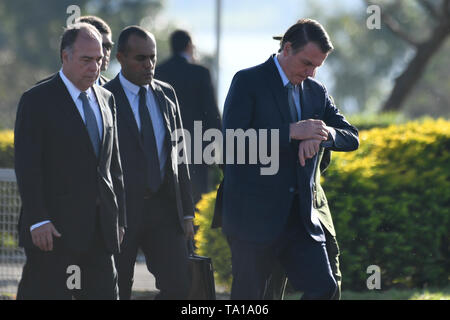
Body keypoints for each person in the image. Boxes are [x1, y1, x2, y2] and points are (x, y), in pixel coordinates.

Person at [220, 18, 359, 299]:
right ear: (287, 49)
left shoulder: (316, 92)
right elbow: (231, 144)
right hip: (252, 220)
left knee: (325, 289)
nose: (311, 73)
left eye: (317, 66)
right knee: (252, 299)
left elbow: (351, 136)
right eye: (307, 63)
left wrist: (320, 133)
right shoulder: (248, 81)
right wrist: (292, 132)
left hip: (300, 220)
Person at [14, 23, 126, 300]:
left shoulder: (107, 99)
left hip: (100, 232)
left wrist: (119, 220)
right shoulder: (36, 100)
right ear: (65, 57)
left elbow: (114, 167)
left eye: (99, 59)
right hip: (54, 233)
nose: (95, 67)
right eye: (86, 60)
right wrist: (38, 219)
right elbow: (28, 166)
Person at [104, 26, 195, 300]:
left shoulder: (167, 95)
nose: (149, 65)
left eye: (152, 57)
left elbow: (180, 155)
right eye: (141, 58)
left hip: (164, 209)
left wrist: (187, 212)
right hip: (122, 213)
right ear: (120, 57)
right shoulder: (105, 98)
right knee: (117, 289)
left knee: (179, 286)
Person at [156, 30, 222, 204]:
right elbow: (211, 110)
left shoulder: (159, 71)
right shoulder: (200, 72)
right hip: (197, 146)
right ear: (188, 46)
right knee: (196, 199)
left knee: (169, 199)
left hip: (166, 144)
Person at [37, 15, 114, 86]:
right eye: (100, 45)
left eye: (108, 46)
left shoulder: (114, 91)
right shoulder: (42, 91)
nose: (105, 52)